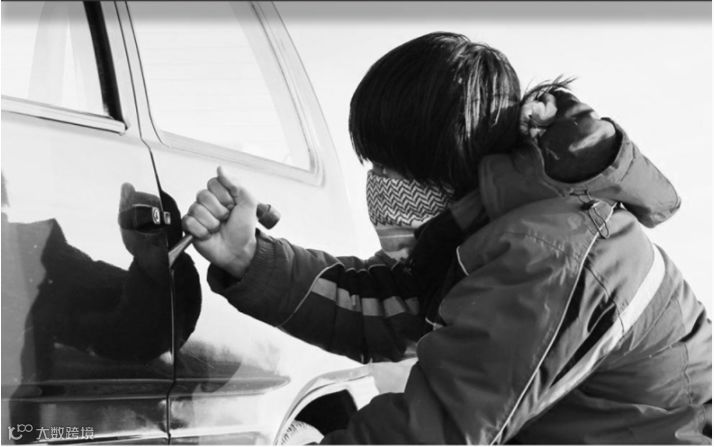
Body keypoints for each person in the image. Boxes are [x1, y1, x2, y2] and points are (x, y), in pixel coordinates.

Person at [182, 32, 711, 444]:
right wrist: (249, 257)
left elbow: (437, 431)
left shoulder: (551, 252)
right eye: (375, 166)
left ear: (452, 165)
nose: (380, 187)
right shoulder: (489, 231)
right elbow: (387, 306)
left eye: (395, 170)